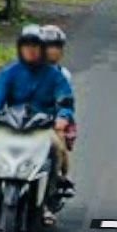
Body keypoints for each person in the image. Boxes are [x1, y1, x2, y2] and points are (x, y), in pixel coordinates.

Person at [0, 25, 74, 221]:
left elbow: (65, 99)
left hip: (44, 126)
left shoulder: (54, 75)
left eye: (35, 46)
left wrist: (63, 116)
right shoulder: (11, 72)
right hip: (12, 123)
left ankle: (51, 192)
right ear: (20, 48)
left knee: (57, 147)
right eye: (26, 46)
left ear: (42, 49)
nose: (31, 50)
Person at [39, 24, 77, 182]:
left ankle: (61, 178)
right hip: (26, 117)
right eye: (48, 46)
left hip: (53, 119)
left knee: (58, 143)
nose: (52, 50)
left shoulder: (63, 75)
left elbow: (67, 101)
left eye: (56, 46)